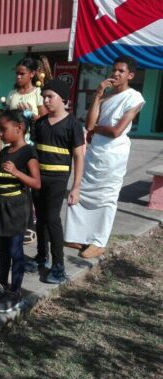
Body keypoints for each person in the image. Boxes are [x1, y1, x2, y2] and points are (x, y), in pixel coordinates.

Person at [65, 56, 144, 259]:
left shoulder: (134, 98)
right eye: (114, 70)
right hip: (95, 151)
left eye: (121, 71)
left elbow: (117, 131)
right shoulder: (107, 97)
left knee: (106, 197)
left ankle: (98, 242)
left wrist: (95, 130)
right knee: (82, 191)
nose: (115, 74)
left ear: (130, 75)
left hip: (114, 154)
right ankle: (76, 236)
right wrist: (98, 96)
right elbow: (90, 124)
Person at [0, 109, 40, 313]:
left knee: (16, 251)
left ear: (19, 128)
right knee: (3, 251)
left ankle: (15, 292)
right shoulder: (5, 151)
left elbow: (36, 182)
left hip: (16, 208)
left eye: (3, 129)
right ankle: (2, 286)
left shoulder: (28, 152)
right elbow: (2, 176)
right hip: (0, 206)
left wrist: (16, 172)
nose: (0, 133)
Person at [26, 79, 84, 283]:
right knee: (39, 219)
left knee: (52, 219)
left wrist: (76, 187)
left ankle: (59, 265)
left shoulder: (73, 124)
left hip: (58, 179)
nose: (46, 100)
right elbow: (33, 152)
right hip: (38, 179)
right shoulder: (41, 123)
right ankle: (42, 256)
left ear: (64, 99)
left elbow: (78, 156)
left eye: (50, 96)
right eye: (44, 97)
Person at [7, 57, 47, 245]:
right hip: (12, 146)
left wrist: (31, 115)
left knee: (27, 186)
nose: (19, 76)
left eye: (22, 73)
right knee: (14, 183)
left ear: (32, 74)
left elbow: (45, 119)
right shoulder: (12, 94)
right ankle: (16, 219)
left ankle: (30, 224)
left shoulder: (38, 93)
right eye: (17, 73)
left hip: (29, 146)